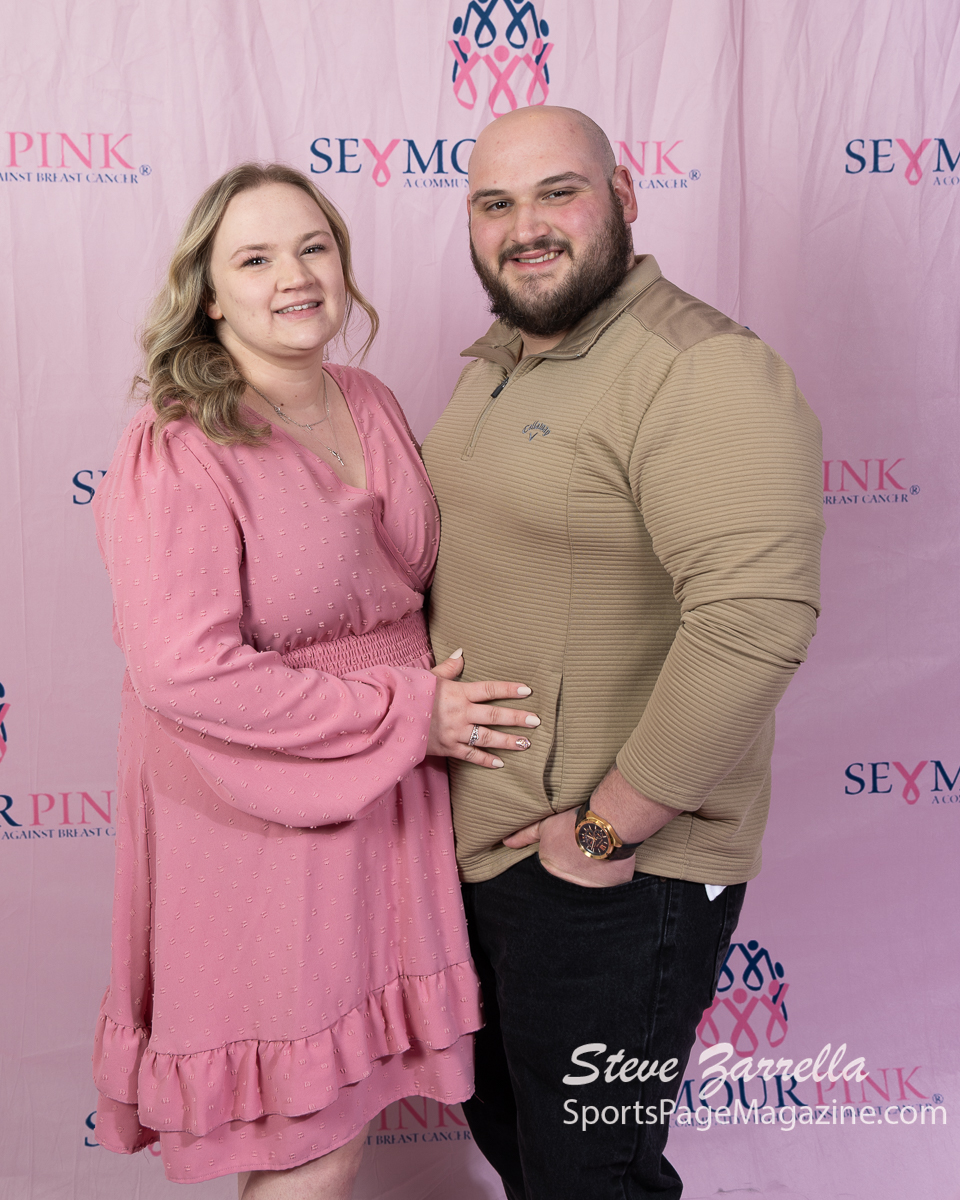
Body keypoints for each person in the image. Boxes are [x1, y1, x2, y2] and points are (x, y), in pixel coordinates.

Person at [90, 162, 542, 1198]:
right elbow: (184, 672)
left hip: (387, 793)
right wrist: (409, 713)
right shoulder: (179, 443)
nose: (295, 276)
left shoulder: (366, 397)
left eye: (313, 247)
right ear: (209, 294)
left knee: (352, 1109)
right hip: (262, 803)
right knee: (308, 1136)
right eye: (255, 259)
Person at [421, 107, 825, 1199]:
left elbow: (753, 621)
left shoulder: (700, 368)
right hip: (488, 857)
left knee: (590, 1182)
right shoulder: (498, 366)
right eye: (495, 203)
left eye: (559, 192)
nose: (526, 227)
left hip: (614, 875)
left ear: (625, 195)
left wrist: (606, 832)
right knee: (530, 1162)